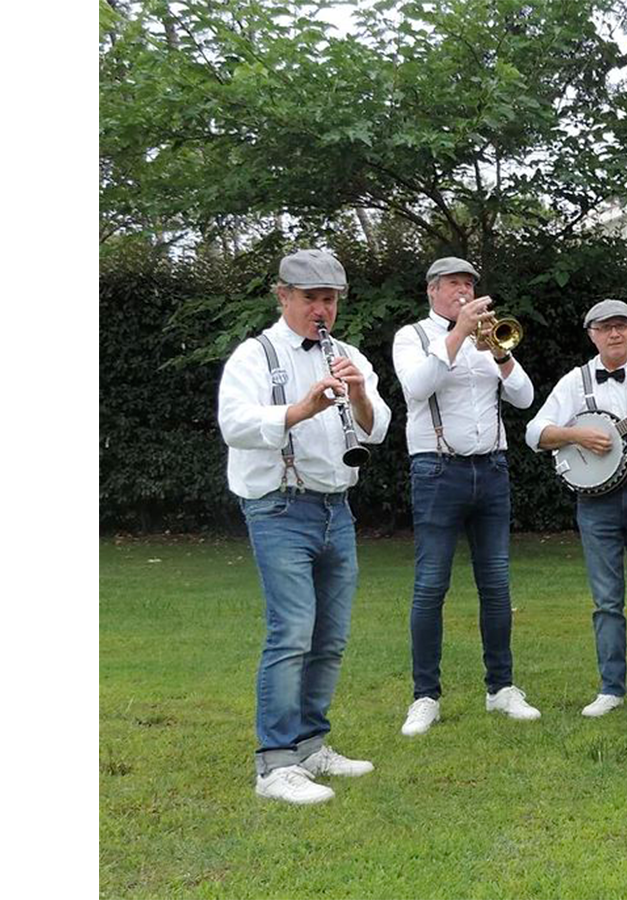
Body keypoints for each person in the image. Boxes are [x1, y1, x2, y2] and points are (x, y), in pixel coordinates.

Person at [217, 249, 392, 804]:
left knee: (331, 637)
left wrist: (359, 391)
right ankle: (274, 764)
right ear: (283, 296)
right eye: (311, 298)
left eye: (330, 299)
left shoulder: (349, 355)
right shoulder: (254, 355)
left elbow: (377, 430)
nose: (322, 309)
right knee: (291, 632)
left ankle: (311, 744)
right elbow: (234, 424)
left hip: (335, 508)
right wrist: (299, 409)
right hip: (277, 506)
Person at [392, 257, 538, 736]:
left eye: (470, 284)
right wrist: (456, 332)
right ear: (433, 290)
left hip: (491, 468)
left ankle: (501, 689)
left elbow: (523, 397)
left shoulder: (487, 337)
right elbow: (417, 387)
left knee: (496, 584)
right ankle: (425, 696)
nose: (464, 291)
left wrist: (497, 352)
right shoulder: (413, 337)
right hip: (436, 469)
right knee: (431, 584)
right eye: (455, 285)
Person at [525, 300, 627, 719]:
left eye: (622, 326)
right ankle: (611, 688)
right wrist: (576, 434)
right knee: (606, 600)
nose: (614, 334)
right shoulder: (574, 382)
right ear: (592, 334)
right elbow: (534, 432)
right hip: (594, 502)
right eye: (605, 328)